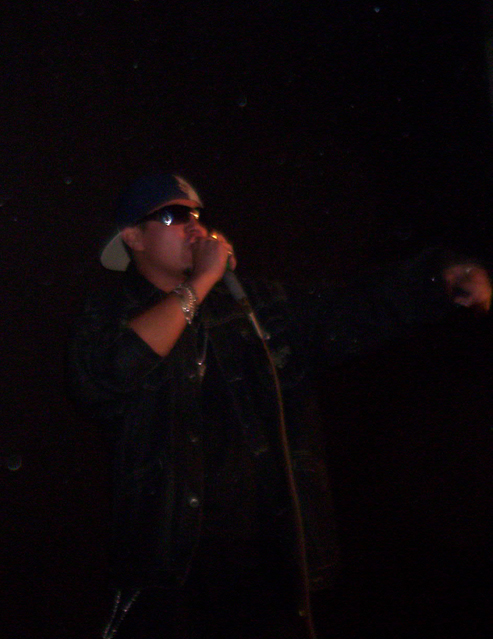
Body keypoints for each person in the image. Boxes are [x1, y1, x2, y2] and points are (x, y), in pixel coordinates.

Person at [66, 172, 491, 639]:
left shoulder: (255, 307)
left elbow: (353, 309)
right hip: (173, 567)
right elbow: (104, 378)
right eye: (173, 216)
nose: (194, 227)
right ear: (133, 236)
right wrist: (203, 280)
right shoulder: (109, 315)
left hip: (266, 558)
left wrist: (438, 279)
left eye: (198, 216)